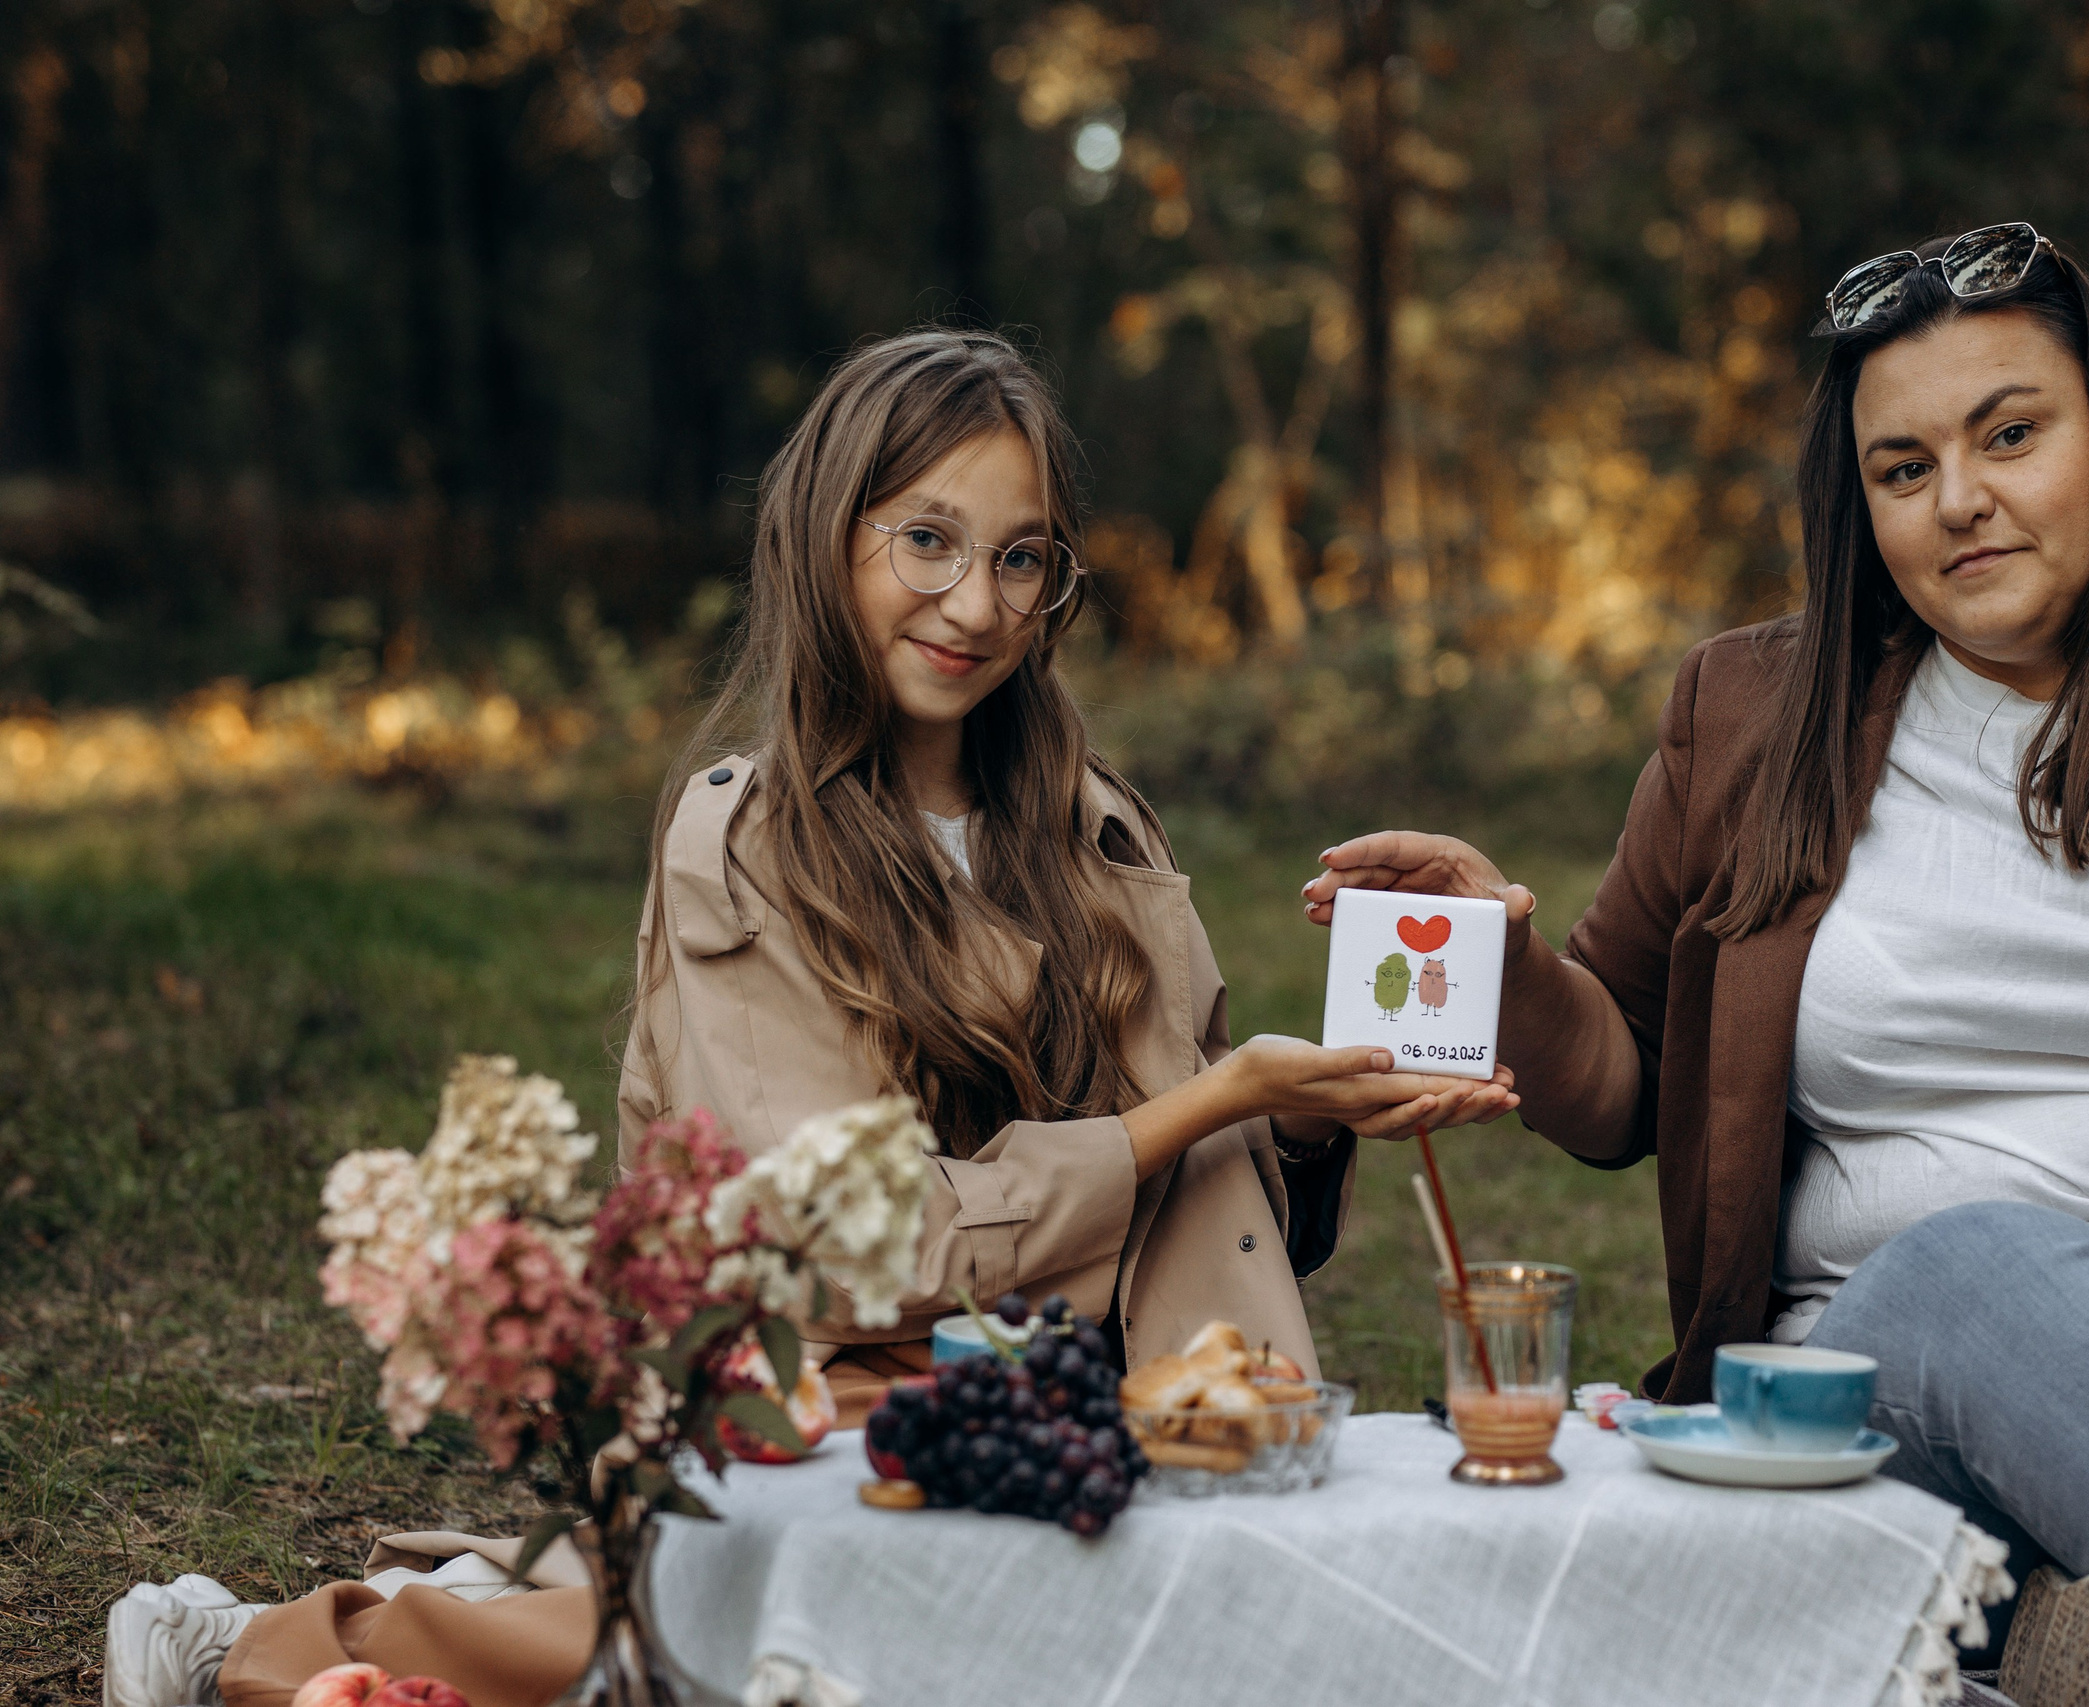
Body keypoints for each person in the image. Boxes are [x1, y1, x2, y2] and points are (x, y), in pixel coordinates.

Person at [155, 328, 1516, 1707]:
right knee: (730, 1664)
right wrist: (1215, 1103)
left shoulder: (1096, 822)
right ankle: (290, 1642)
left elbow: (1198, 1194)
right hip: (840, 1397)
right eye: (927, 540)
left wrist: (1301, 1110)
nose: (975, 605)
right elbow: (853, 1240)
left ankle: (503, 1601)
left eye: (1021, 557)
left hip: (1115, 1400)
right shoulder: (743, 845)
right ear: (826, 539)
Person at [1303, 225, 2089, 1707]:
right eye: (1904, 471)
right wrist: (1512, 971)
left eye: (2012, 435)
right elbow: (1619, 1083)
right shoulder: (1752, 714)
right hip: (1942, 1361)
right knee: (1974, 1260)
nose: (1963, 501)